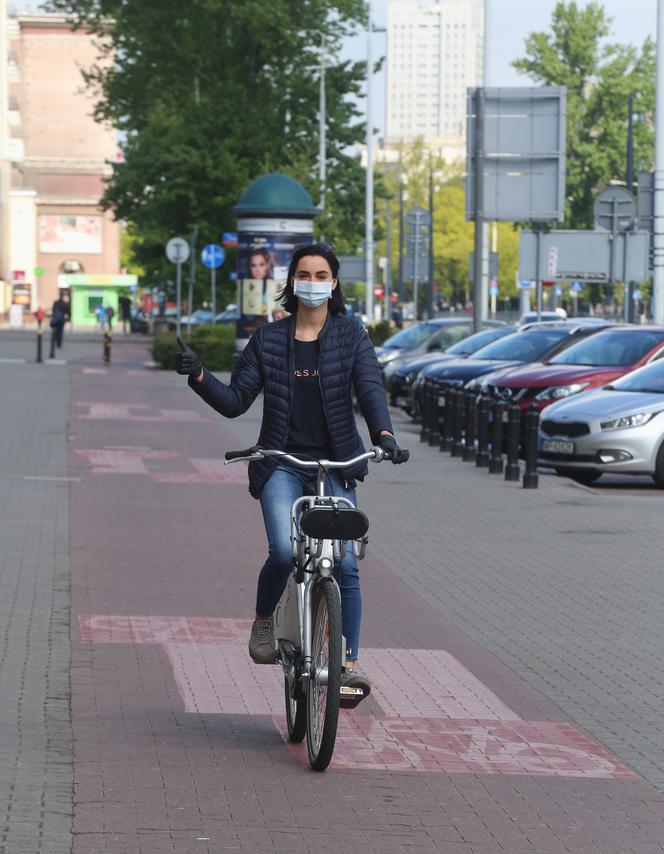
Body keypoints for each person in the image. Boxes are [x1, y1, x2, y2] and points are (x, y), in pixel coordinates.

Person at [175, 242, 409, 699]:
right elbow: (236, 402)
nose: (314, 283)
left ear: (334, 283)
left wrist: (383, 436)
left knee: (345, 564)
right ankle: (264, 621)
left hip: (337, 464)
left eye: (322, 275)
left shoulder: (351, 335)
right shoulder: (269, 340)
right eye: (305, 274)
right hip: (281, 462)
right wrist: (200, 375)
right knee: (284, 552)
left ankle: (346, 662)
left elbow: (370, 387)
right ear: (292, 282)